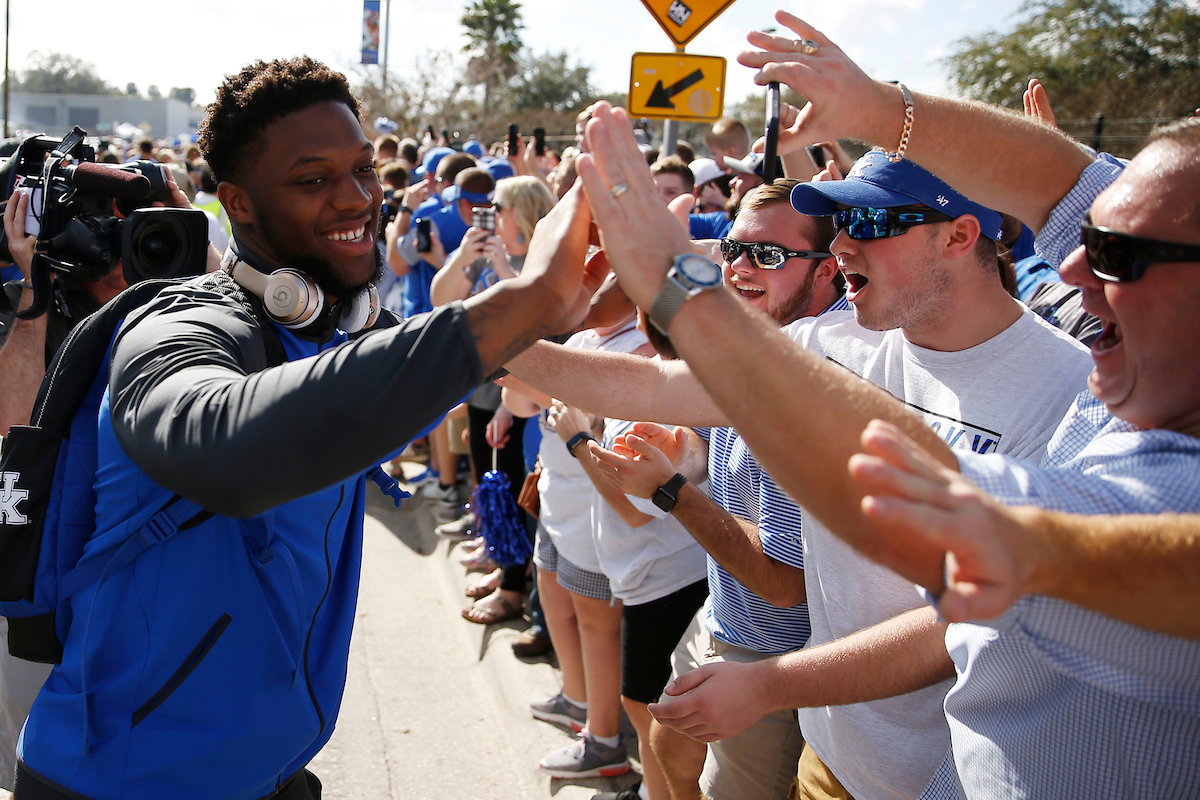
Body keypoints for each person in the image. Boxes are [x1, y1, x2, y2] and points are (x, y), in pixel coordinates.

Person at [574, 12, 1200, 799]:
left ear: (960, 236)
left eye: (1116, 254)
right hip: (835, 748)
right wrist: (879, 109)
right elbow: (1067, 182)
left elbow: (955, 521)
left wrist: (685, 292)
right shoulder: (861, 342)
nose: (1071, 268)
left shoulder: (1092, 410)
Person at [12, 56, 600, 800]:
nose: (357, 199)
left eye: (363, 170)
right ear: (240, 204)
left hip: (273, 774)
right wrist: (524, 300)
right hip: (119, 782)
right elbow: (226, 452)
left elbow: (470, 379)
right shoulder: (178, 326)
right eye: (313, 179)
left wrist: (618, 310)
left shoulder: (335, 330)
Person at [518, 93, 1099, 798]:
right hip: (829, 754)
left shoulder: (1070, 391)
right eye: (844, 221)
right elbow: (653, 387)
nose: (845, 244)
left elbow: (962, 620)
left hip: (944, 777)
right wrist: (475, 339)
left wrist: (768, 682)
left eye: (874, 222)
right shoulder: (835, 343)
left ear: (959, 235)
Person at [509, 178, 847, 800]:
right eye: (733, 249)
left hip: (776, 654)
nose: (741, 267)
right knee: (663, 742)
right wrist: (686, 451)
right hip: (721, 616)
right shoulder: (748, 343)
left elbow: (781, 581)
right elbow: (663, 399)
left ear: (827, 270)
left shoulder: (820, 375)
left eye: (767, 255)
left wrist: (670, 490)